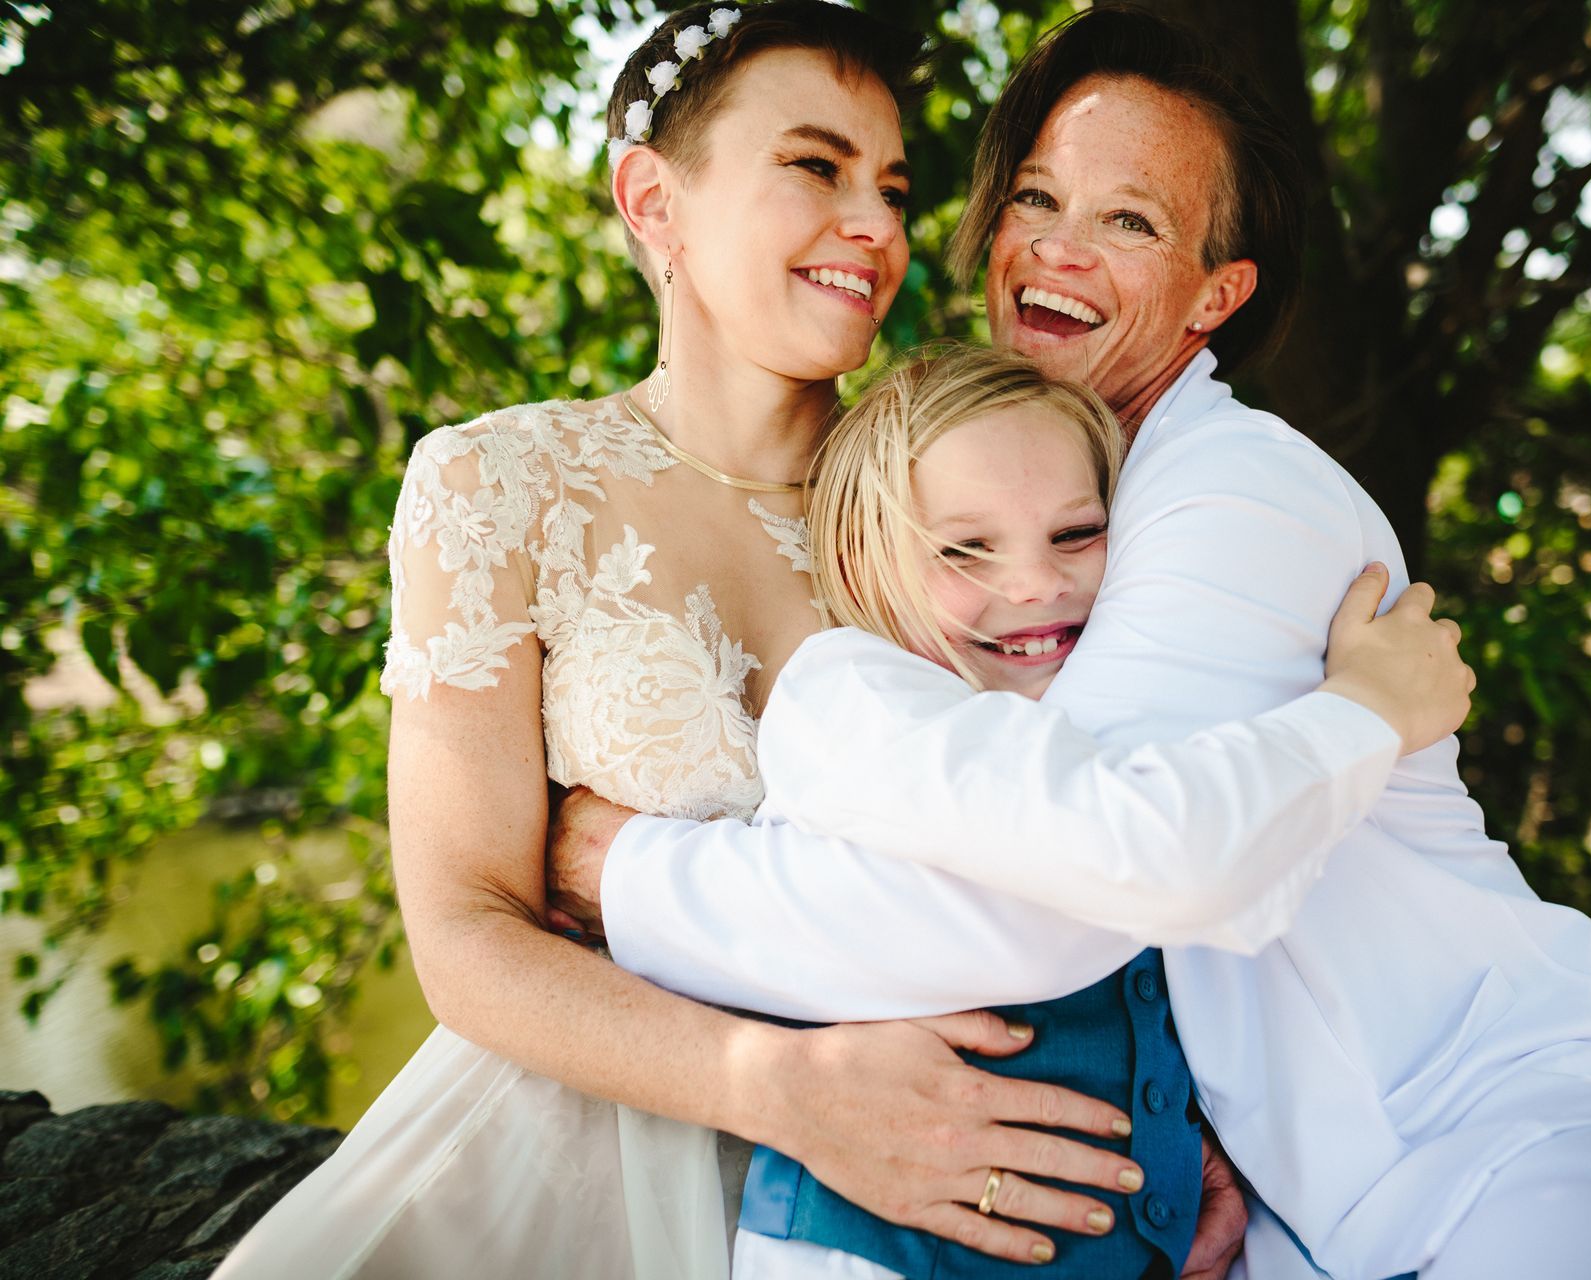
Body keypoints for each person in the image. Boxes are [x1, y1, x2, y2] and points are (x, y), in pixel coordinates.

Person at [214, 6, 1471, 1278]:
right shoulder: (500, 482)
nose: (876, 225)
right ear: (653, 200)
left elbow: (1089, 827)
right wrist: (776, 1085)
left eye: (895, 188)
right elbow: (464, 940)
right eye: (816, 166)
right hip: (579, 1161)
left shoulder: (978, 486)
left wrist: (1174, 1119)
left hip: (936, 1203)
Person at [553, 8, 1591, 1278]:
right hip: (1299, 1218)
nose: (1057, 248)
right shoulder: (1061, 500)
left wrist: (628, 874)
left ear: (1215, 294)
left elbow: (1080, 891)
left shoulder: (1230, 493)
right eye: (1036, 197)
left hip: (1517, 1153)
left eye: (1129, 221)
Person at [719, 343, 1471, 1278]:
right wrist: (1370, 711)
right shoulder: (850, 694)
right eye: (965, 549)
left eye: (1077, 534)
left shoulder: (1118, 709)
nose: (1036, 583)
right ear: (856, 556)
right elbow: (1110, 843)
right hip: (880, 1250)